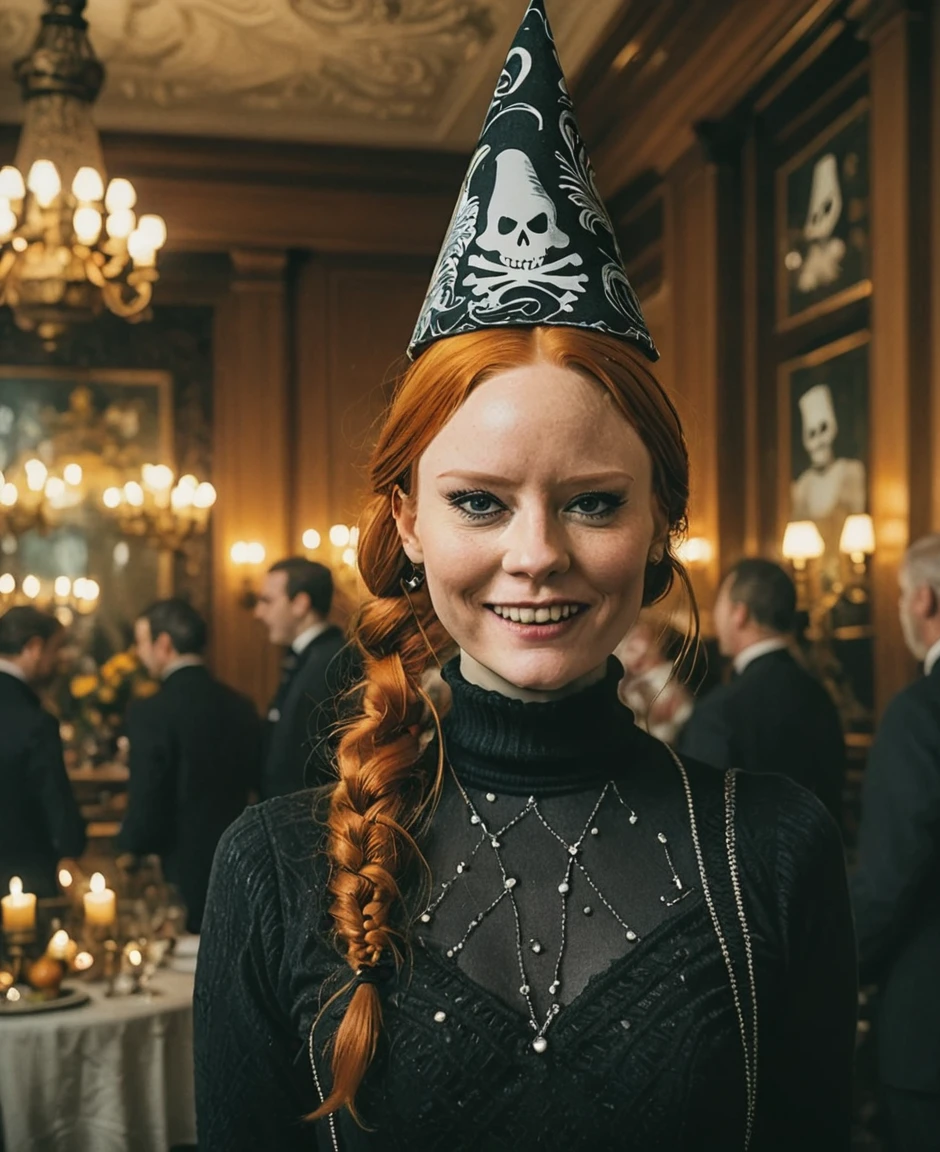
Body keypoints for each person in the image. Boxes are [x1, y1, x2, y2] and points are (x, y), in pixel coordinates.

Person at [194, 3, 858, 1148]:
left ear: (660, 525)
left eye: (593, 500)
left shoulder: (774, 848)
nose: (537, 552)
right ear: (406, 521)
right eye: (479, 501)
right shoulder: (272, 867)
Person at [850, 533, 940, 1152]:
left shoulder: (919, 711)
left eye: (901, 595)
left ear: (923, 600)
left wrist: (844, 964)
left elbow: (895, 872)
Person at [117, 599, 261, 933]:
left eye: (141, 643)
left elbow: (148, 793)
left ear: (163, 644)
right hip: (240, 858)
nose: (138, 654)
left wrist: (131, 848)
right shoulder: (240, 705)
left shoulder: (151, 711)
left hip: (176, 865)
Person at [677, 558, 847, 824]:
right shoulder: (819, 695)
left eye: (719, 605)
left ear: (739, 614)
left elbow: (701, 820)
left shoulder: (719, 711)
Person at [0, 606, 86, 898]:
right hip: (24, 875)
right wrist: (72, 845)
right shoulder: (35, 721)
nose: (59, 659)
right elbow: (56, 804)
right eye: (56, 649)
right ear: (34, 647)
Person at [255, 557, 353, 798]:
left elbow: (313, 763)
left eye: (267, 601)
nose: (258, 613)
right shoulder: (310, 657)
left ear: (300, 603)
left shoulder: (330, 661)